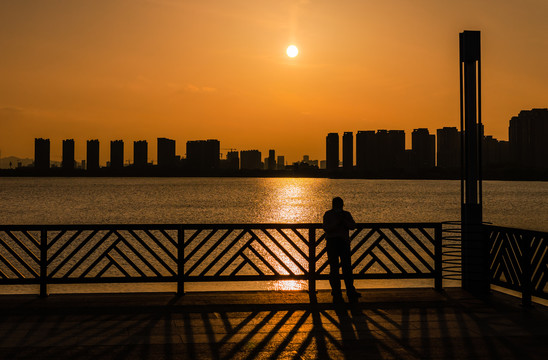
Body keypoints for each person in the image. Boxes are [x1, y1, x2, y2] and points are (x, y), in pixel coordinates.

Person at [322, 197, 361, 302]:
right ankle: (336, 291)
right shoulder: (328, 214)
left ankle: (350, 290)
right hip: (332, 242)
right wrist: (337, 223)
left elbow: (353, 226)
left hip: (343, 242)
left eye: (340, 204)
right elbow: (326, 228)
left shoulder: (346, 214)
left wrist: (343, 221)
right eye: (338, 204)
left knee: (347, 267)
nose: (339, 206)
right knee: (334, 268)